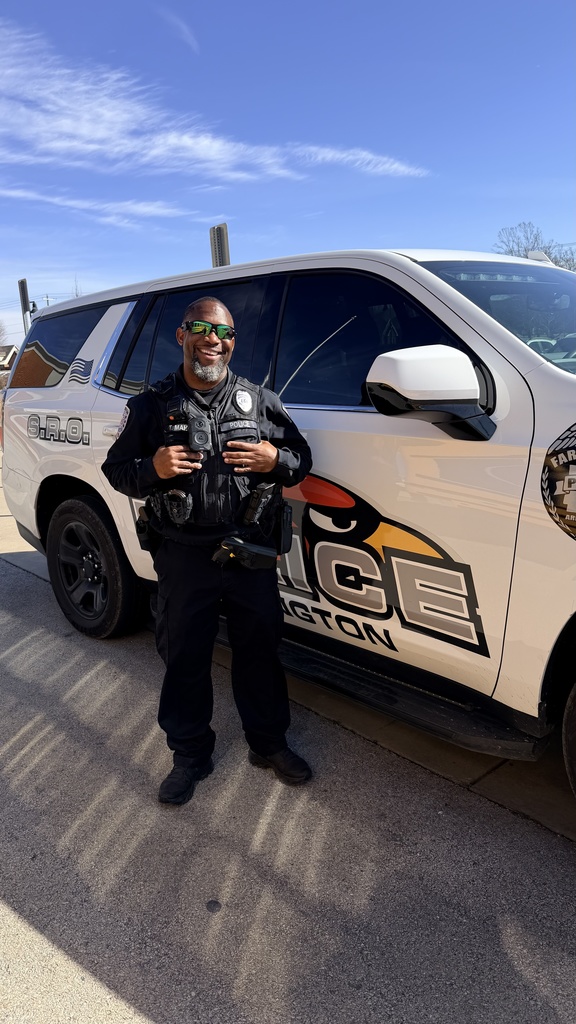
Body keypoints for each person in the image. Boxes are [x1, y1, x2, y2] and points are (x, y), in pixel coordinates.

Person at [102, 296, 313, 805]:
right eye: (200, 328)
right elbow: (116, 470)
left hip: (249, 553)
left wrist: (274, 458)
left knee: (260, 651)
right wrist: (152, 468)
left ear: (232, 342)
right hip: (183, 556)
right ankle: (190, 755)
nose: (212, 340)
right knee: (185, 658)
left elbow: (301, 459)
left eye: (223, 333)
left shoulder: (260, 401)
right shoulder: (151, 405)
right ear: (182, 336)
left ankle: (268, 744)